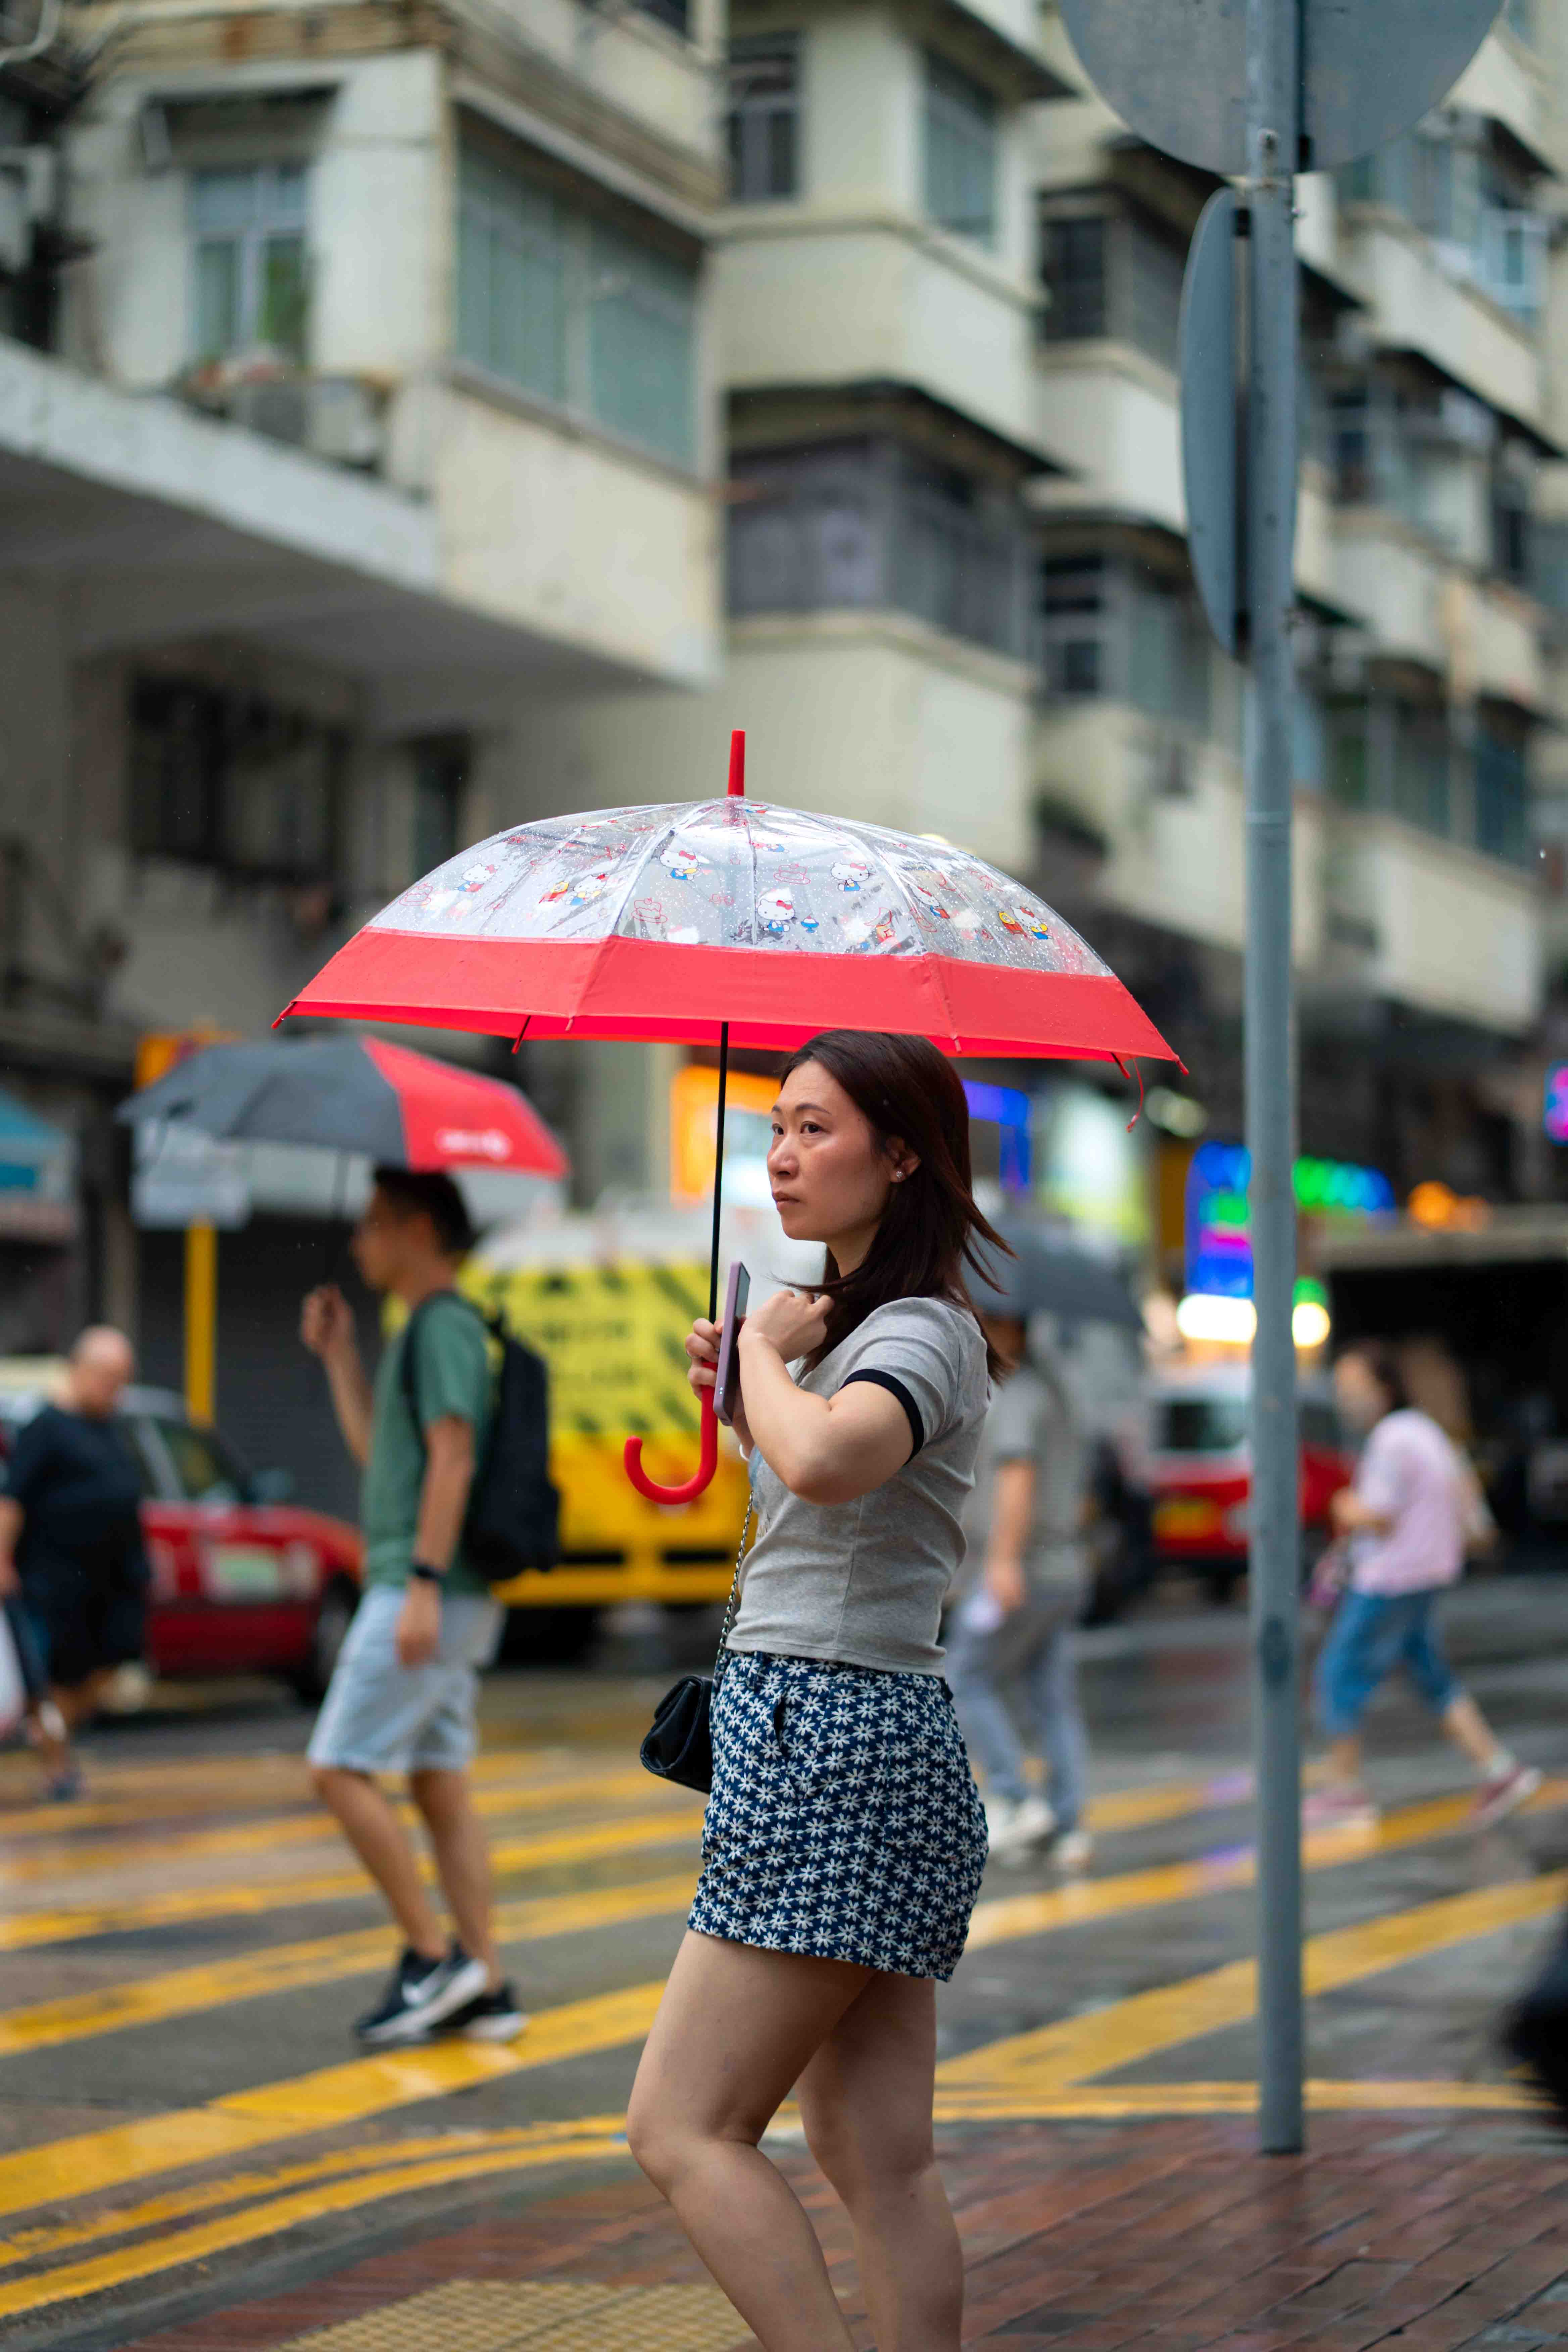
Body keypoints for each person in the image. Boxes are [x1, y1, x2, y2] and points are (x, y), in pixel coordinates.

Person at [626, 1030, 1000, 2352]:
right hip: (865, 1743)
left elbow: (838, 1464)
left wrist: (763, 1373)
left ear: (902, 1155)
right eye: (777, 1126)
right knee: (876, 2156)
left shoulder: (921, 1331)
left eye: (816, 1129)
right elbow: (819, 1507)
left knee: (679, 2125)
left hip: (829, 1745)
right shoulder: (857, 1328)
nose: (781, 1157)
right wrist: (747, 1393)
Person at [301, 1166, 524, 2047]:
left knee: (338, 1767)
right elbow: (382, 1452)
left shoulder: (443, 1326)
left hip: (425, 1583)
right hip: (439, 1585)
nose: (361, 1241)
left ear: (419, 1230)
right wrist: (339, 1356)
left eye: (374, 1224)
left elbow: (454, 1454)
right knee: (437, 1782)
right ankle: (487, 1982)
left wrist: (423, 1583)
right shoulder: (419, 1330)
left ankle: (434, 1962)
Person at [1307, 1339, 1540, 1832]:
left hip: (1391, 1577)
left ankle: (1346, 1790)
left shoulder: (1392, 1439)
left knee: (1337, 1673)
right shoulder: (1422, 1430)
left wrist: (1344, 1506)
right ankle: (1500, 1770)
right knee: (1428, 1673)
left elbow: (1379, 1517)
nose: (1346, 1396)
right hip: (1427, 1571)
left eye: (1355, 1385)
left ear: (1383, 1388)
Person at [946, 1304, 1093, 1870]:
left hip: (1023, 1570)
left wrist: (1003, 1561)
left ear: (1010, 1327)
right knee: (1052, 1699)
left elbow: (1017, 1477)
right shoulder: (1063, 1388)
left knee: (965, 1677)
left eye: (986, 1322)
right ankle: (1068, 1825)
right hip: (1065, 1568)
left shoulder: (1018, 1395)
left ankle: (1013, 1797)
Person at [0, 1327, 149, 1801]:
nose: (116, 1389)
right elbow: (12, 1500)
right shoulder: (46, 1425)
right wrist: (2, 1558)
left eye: (122, 1379)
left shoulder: (109, 1425)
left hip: (113, 1579)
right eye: (109, 1377)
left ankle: (50, 1736)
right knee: (54, 1678)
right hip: (56, 1579)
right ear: (81, 1369)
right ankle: (57, 1764)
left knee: (111, 1665)